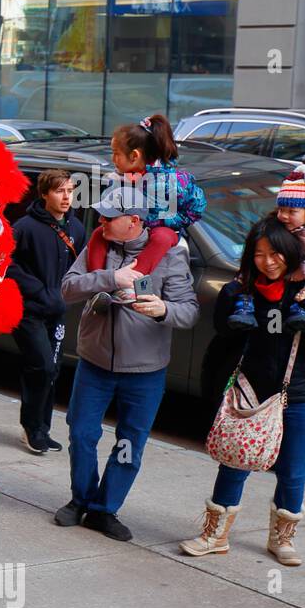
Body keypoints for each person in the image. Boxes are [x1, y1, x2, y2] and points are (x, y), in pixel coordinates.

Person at [180, 217, 305, 566]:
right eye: (259, 254)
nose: (268, 261)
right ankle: (215, 535)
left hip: (302, 394)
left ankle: (283, 539)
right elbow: (224, 333)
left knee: (292, 469)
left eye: (275, 253)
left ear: (290, 254)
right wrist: (233, 295)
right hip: (252, 390)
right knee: (234, 461)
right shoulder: (243, 291)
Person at [56, 186, 199, 540]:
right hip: (94, 363)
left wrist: (164, 310)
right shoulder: (98, 245)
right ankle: (81, 499)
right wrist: (109, 278)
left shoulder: (169, 256)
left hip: (144, 372)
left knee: (129, 444)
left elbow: (189, 311)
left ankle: (106, 510)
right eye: (101, 214)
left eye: (109, 216)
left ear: (134, 221)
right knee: (81, 435)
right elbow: (68, 288)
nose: (100, 220)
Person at [86, 114, 206, 311]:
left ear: (134, 156)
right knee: (99, 233)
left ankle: (133, 285)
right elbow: (109, 207)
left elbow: (197, 207)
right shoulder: (120, 178)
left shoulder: (172, 180)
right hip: (130, 233)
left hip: (159, 232)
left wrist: (166, 223)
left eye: (116, 153)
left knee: (161, 237)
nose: (112, 158)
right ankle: (98, 286)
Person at [8, 168, 86, 454]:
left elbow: (81, 265)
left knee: (51, 370)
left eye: (70, 191)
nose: (66, 197)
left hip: (57, 311)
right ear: (44, 194)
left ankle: (43, 428)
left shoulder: (76, 228)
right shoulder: (25, 227)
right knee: (40, 365)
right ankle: (31, 428)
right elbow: (7, 264)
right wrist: (39, 290)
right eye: (59, 191)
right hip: (29, 310)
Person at [229, 164, 305, 331]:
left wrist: (304, 270)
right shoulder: (287, 225)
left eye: (291, 211)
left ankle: (300, 310)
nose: (283, 216)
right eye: (281, 209)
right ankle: (244, 307)